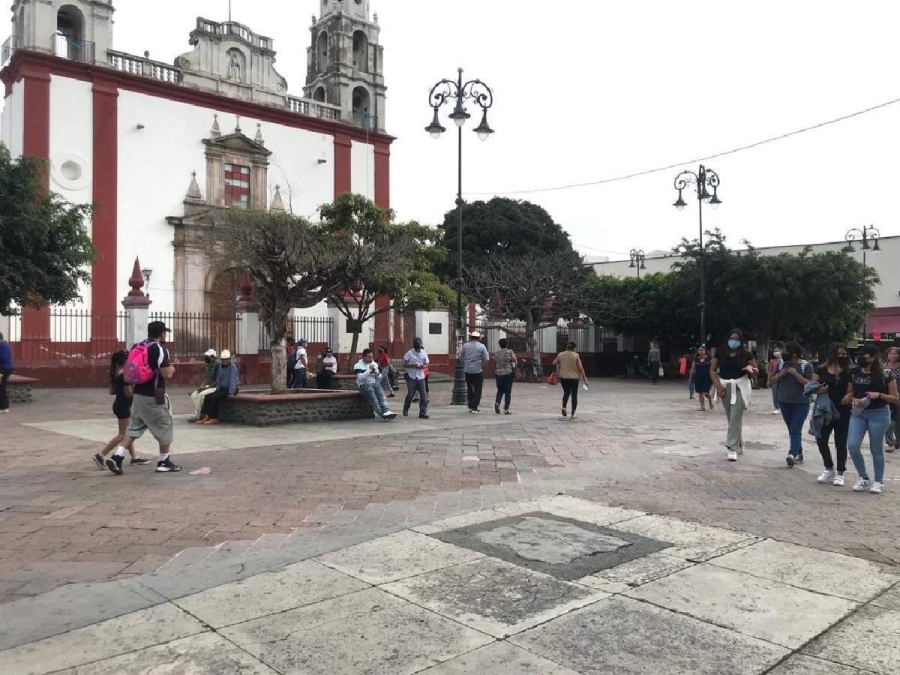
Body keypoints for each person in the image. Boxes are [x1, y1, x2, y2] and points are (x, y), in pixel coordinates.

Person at [108, 321, 181, 474]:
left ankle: (118, 456)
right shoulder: (160, 349)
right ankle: (163, 461)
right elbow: (166, 374)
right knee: (165, 425)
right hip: (154, 396)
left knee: (135, 427)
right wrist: (173, 368)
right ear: (162, 334)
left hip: (138, 394)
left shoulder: (137, 347)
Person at [845, 345, 898, 494]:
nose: (861, 358)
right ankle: (863, 477)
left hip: (879, 413)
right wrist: (853, 399)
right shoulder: (854, 372)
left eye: (865, 356)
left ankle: (878, 481)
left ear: (873, 357)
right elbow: (850, 392)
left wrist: (879, 395)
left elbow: (895, 398)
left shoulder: (886, 374)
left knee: (876, 449)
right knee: (853, 446)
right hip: (859, 413)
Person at [93, 351, 151, 471]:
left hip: (119, 405)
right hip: (124, 406)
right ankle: (100, 455)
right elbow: (128, 393)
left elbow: (111, 391)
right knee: (123, 435)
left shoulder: (116, 373)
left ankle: (134, 457)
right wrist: (137, 390)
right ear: (126, 361)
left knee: (127, 433)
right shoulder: (125, 375)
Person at [710, 329, 759, 462]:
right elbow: (713, 370)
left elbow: (756, 372)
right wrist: (718, 386)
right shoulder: (721, 352)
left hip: (740, 387)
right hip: (725, 386)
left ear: (741, 341)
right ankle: (739, 443)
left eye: (737, 339)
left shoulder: (746, 354)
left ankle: (732, 447)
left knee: (735, 417)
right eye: (732, 338)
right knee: (731, 418)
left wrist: (751, 370)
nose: (734, 341)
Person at [811, 346, 852, 485]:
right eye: (839, 353)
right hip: (824, 409)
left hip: (843, 409)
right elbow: (811, 386)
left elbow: (852, 389)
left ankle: (840, 472)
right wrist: (819, 389)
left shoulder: (849, 371)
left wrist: (849, 396)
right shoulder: (821, 370)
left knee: (840, 442)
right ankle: (828, 467)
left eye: (844, 354)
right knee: (821, 439)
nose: (842, 356)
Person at [771, 342, 814, 467]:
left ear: (795, 353)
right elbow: (772, 380)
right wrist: (779, 375)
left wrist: (796, 374)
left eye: (786, 351)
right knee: (792, 429)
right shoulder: (781, 364)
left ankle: (792, 454)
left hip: (801, 403)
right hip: (784, 402)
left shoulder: (806, 366)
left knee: (795, 428)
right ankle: (799, 453)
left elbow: (809, 384)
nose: (784, 353)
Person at [197, 349, 240, 425]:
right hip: (222, 388)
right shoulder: (221, 366)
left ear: (229, 359)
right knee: (208, 396)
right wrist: (218, 388)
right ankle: (206, 415)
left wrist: (231, 392)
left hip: (230, 388)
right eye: (223, 359)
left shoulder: (232, 367)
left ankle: (214, 417)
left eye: (226, 359)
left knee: (214, 397)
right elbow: (219, 379)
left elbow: (232, 380)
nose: (225, 361)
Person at [354, 349, 398, 420]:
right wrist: (369, 371)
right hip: (364, 385)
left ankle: (387, 411)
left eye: (372, 357)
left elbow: (379, 378)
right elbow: (360, 378)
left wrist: (377, 373)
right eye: (369, 357)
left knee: (381, 397)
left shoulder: (374, 364)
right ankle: (382, 414)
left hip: (374, 383)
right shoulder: (358, 365)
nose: (371, 359)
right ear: (364, 357)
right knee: (374, 399)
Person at [553, 341, 588, 420]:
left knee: (566, 392)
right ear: (574, 348)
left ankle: (564, 407)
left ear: (567, 347)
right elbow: (580, 368)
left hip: (563, 377)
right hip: (574, 378)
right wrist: (584, 378)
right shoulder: (576, 356)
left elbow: (554, 362)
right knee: (574, 395)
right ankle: (573, 414)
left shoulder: (561, 354)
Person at [459, 330, 490, 413]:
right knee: (478, 389)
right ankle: (475, 406)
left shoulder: (465, 346)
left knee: (469, 388)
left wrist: (466, 361)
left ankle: (470, 405)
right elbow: (486, 358)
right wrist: (482, 365)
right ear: (478, 338)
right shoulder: (482, 346)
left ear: (471, 337)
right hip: (478, 370)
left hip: (468, 369)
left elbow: (461, 356)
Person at [189, 349, 218, 423]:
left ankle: (197, 416)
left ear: (213, 357)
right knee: (194, 395)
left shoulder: (217, 366)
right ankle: (202, 413)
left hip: (214, 387)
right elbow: (206, 379)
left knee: (201, 395)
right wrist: (201, 387)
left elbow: (217, 380)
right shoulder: (208, 366)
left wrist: (207, 387)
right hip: (207, 386)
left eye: (208, 357)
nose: (206, 358)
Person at [403, 337, 429, 419]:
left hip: (421, 376)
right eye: (415, 343)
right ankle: (406, 408)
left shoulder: (424, 353)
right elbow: (405, 364)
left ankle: (422, 412)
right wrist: (413, 365)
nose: (417, 345)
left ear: (420, 344)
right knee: (410, 394)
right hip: (412, 376)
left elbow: (427, 363)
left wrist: (423, 366)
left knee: (423, 395)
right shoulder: (409, 353)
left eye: (418, 343)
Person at [494, 338, 516, 415]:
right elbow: (515, 361)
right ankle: (506, 409)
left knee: (500, 390)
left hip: (498, 374)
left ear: (500, 345)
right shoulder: (510, 352)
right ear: (507, 344)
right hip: (508, 373)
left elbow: (495, 362)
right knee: (508, 391)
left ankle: (497, 403)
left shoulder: (496, 353)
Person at [689, 346, 714, 411]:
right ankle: (702, 407)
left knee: (705, 392)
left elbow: (713, 368)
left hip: (707, 377)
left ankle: (710, 400)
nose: (700, 351)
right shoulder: (696, 359)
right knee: (700, 392)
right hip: (698, 377)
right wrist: (690, 378)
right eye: (699, 350)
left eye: (702, 350)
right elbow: (692, 369)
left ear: (705, 351)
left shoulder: (710, 359)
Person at [885, 346, 900, 452]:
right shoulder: (883, 367)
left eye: (895, 353)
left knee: (898, 421)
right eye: (891, 353)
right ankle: (890, 442)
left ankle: (898, 440)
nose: (893, 355)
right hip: (887, 397)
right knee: (889, 421)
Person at [767, 347, 783, 415]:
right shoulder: (772, 361)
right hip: (774, 380)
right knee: (775, 394)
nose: (776, 352)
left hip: (783, 380)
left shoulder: (784, 361)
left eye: (777, 350)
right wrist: (768, 380)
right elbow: (770, 371)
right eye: (775, 351)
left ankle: (782, 407)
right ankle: (776, 408)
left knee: (781, 394)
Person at [0, 332, 12, 414]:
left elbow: (3, 357)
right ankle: (4, 407)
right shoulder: (4, 346)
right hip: (5, 368)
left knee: (1, 388)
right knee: (2, 388)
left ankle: (3, 407)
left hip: (3, 369)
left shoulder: (3, 347)